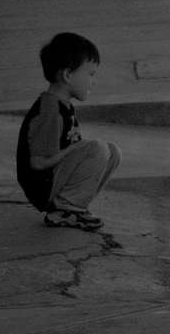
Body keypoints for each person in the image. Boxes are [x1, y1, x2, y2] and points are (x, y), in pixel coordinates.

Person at [16, 31, 121, 231]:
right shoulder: (50, 112)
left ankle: (73, 207)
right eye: (90, 74)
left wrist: (76, 149)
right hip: (43, 187)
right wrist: (75, 149)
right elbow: (37, 163)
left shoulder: (63, 105)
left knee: (113, 152)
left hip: (54, 179)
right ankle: (64, 210)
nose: (93, 81)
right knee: (96, 148)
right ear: (67, 75)